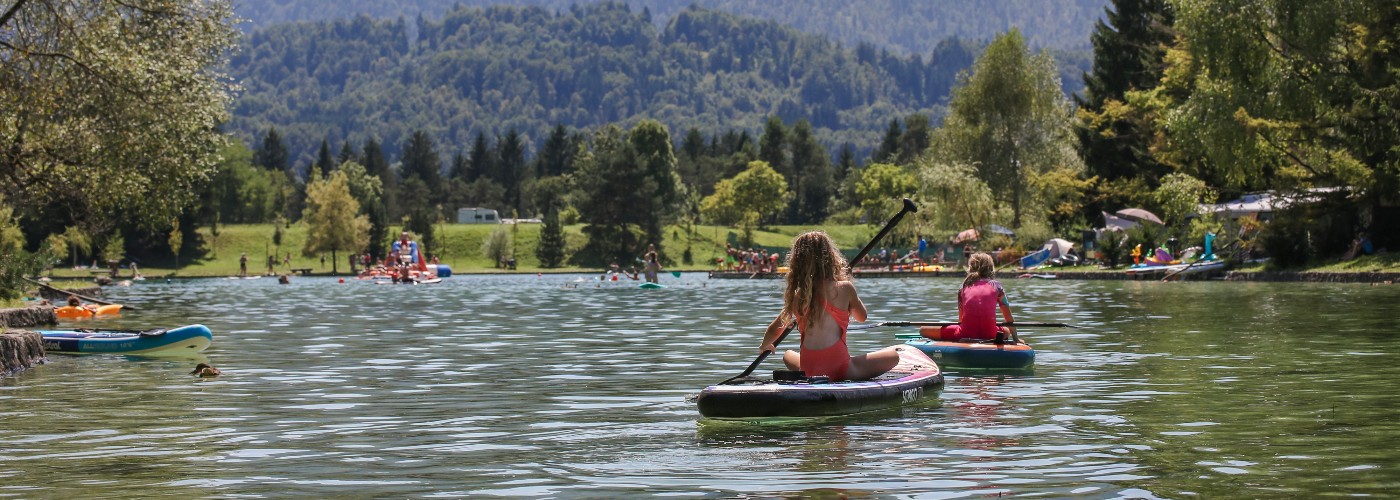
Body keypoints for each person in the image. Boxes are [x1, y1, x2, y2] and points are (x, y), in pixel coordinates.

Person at [758, 231, 900, 382]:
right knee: (894, 356)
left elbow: (774, 329)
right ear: (831, 258)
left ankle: (816, 371)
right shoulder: (845, 288)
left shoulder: (799, 295)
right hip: (842, 370)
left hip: (809, 369)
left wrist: (765, 345)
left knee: (787, 355)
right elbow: (862, 317)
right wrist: (848, 301)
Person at [923, 252, 1016, 343]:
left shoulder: (963, 286)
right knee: (1007, 331)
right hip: (991, 334)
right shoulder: (997, 286)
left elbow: (961, 320)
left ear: (970, 268)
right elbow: (1009, 318)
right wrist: (1016, 339)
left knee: (923, 330)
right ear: (990, 268)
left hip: (965, 334)